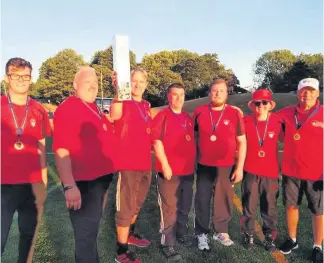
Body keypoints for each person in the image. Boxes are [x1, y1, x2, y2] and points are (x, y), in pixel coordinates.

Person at [53, 66, 117, 263]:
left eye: (95, 83)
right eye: (87, 83)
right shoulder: (69, 108)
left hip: (101, 180)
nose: (93, 87)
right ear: (75, 85)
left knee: (91, 231)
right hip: (83, 183)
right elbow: (61, 149)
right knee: (85, 236)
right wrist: (69, 185)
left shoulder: (94, 107)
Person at [1, 57, 51, 263]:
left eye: (26, 76)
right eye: (16, 75)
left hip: (32, 183)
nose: (21, 80)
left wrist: (44, 179)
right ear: (7, 78)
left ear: (31, 79)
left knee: (28, 237)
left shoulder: (39, 109)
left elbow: (41, 145)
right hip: (3, 184)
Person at [193, 78, 246, 251]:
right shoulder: (199, 112)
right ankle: (201, 233)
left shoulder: (234, 113)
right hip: (204, 164)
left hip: (226, 164)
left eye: (221, 91)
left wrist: (239, 168)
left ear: (226, 93)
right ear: (210, 92)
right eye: (214, 90)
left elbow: (242, 141)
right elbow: (192, 137)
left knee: (223, 199)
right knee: (202, 199)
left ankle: (221, 231)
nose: (217, 94)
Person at [277, 78, 323, 263]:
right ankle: (292, 239)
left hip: (317, 173)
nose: (307, 94)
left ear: (318, 93)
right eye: (304, 91)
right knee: (291, 206)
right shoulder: (287, 113)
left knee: (318, 210)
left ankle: (318, 245)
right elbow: (266, 119)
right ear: (298, 93)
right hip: (291, 171)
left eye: (311, 91)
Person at [110, 69, 152, 263]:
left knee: (137, 204)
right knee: (125, 207)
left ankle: (131, 235)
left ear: (146, 83)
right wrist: (119, 90)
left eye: (141, 81)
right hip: (127, 165)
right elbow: (115, 115)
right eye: (134, 81)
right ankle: (122, 251)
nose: (137, 84)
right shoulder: (122, 101)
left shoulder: (146, 105)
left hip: (145, 164)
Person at [152, 83, 196, 262]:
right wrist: (165, 164)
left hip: (187, 170)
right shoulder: (162, 116)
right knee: (169, 207)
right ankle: (168, 243)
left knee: (185, 205)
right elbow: (156, 142)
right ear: (168, 97)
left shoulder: (187, 117)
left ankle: (181, 233)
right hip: (169, 172)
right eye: (174, 95)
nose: (178, 98)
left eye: (181, 95)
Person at [240, 88, 282, 252]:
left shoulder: (278, 121)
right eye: (257, 103)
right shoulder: (245, 121)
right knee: (248, 204)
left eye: (264, 103)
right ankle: (249, 234)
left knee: (269, 206)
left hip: (270, 172)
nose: (261, 106)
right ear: (252, 105)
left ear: (270, 105)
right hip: (250, 170)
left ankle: (269, 237)